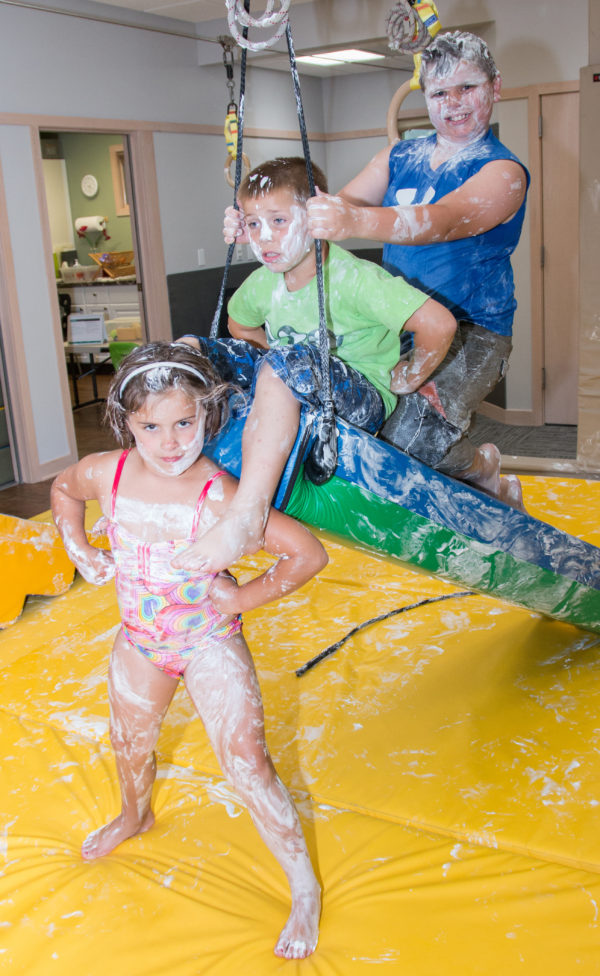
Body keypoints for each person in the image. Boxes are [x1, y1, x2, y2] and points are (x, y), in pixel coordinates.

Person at [50, 341, 328, 960]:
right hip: (142, 642)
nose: (170, 441)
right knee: (130, 744)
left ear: (209, 415)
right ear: (127, 423)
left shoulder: (223, 494)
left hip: (207, 641)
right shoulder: (107, 473)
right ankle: (135, 815)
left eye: (185, 423)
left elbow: (307, 553)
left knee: (248, 762)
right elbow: (62, 490)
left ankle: (303, 886)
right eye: (151, 426)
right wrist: (80, 547)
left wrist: (245, 599)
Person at [180, 155, 456, 576]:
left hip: (359, 398)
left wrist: (406, 378)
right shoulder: (264, 281)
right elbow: (239, 322)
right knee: (189, 350)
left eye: (278, 221)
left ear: (315, 217)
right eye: (253, 224)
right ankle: (170, 485)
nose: (265, 237)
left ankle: (247, 514)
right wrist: (266, 366)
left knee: (281, 367)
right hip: (294, 380)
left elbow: (439, 324)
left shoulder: (354, 280)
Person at [299, 32, 529, 511]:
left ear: (495, 87)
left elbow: (442, 220)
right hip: (399, 321)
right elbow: (335, 206)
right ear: (424, 96)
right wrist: (265, 223)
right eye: (440, 92)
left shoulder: (503, 172)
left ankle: (482, 471)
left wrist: (354, 220)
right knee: (375, 423)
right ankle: (466, 480)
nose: (454, 103)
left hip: (473, 330)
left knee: (413, 436)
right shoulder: (397, 157)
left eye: (467, 88)